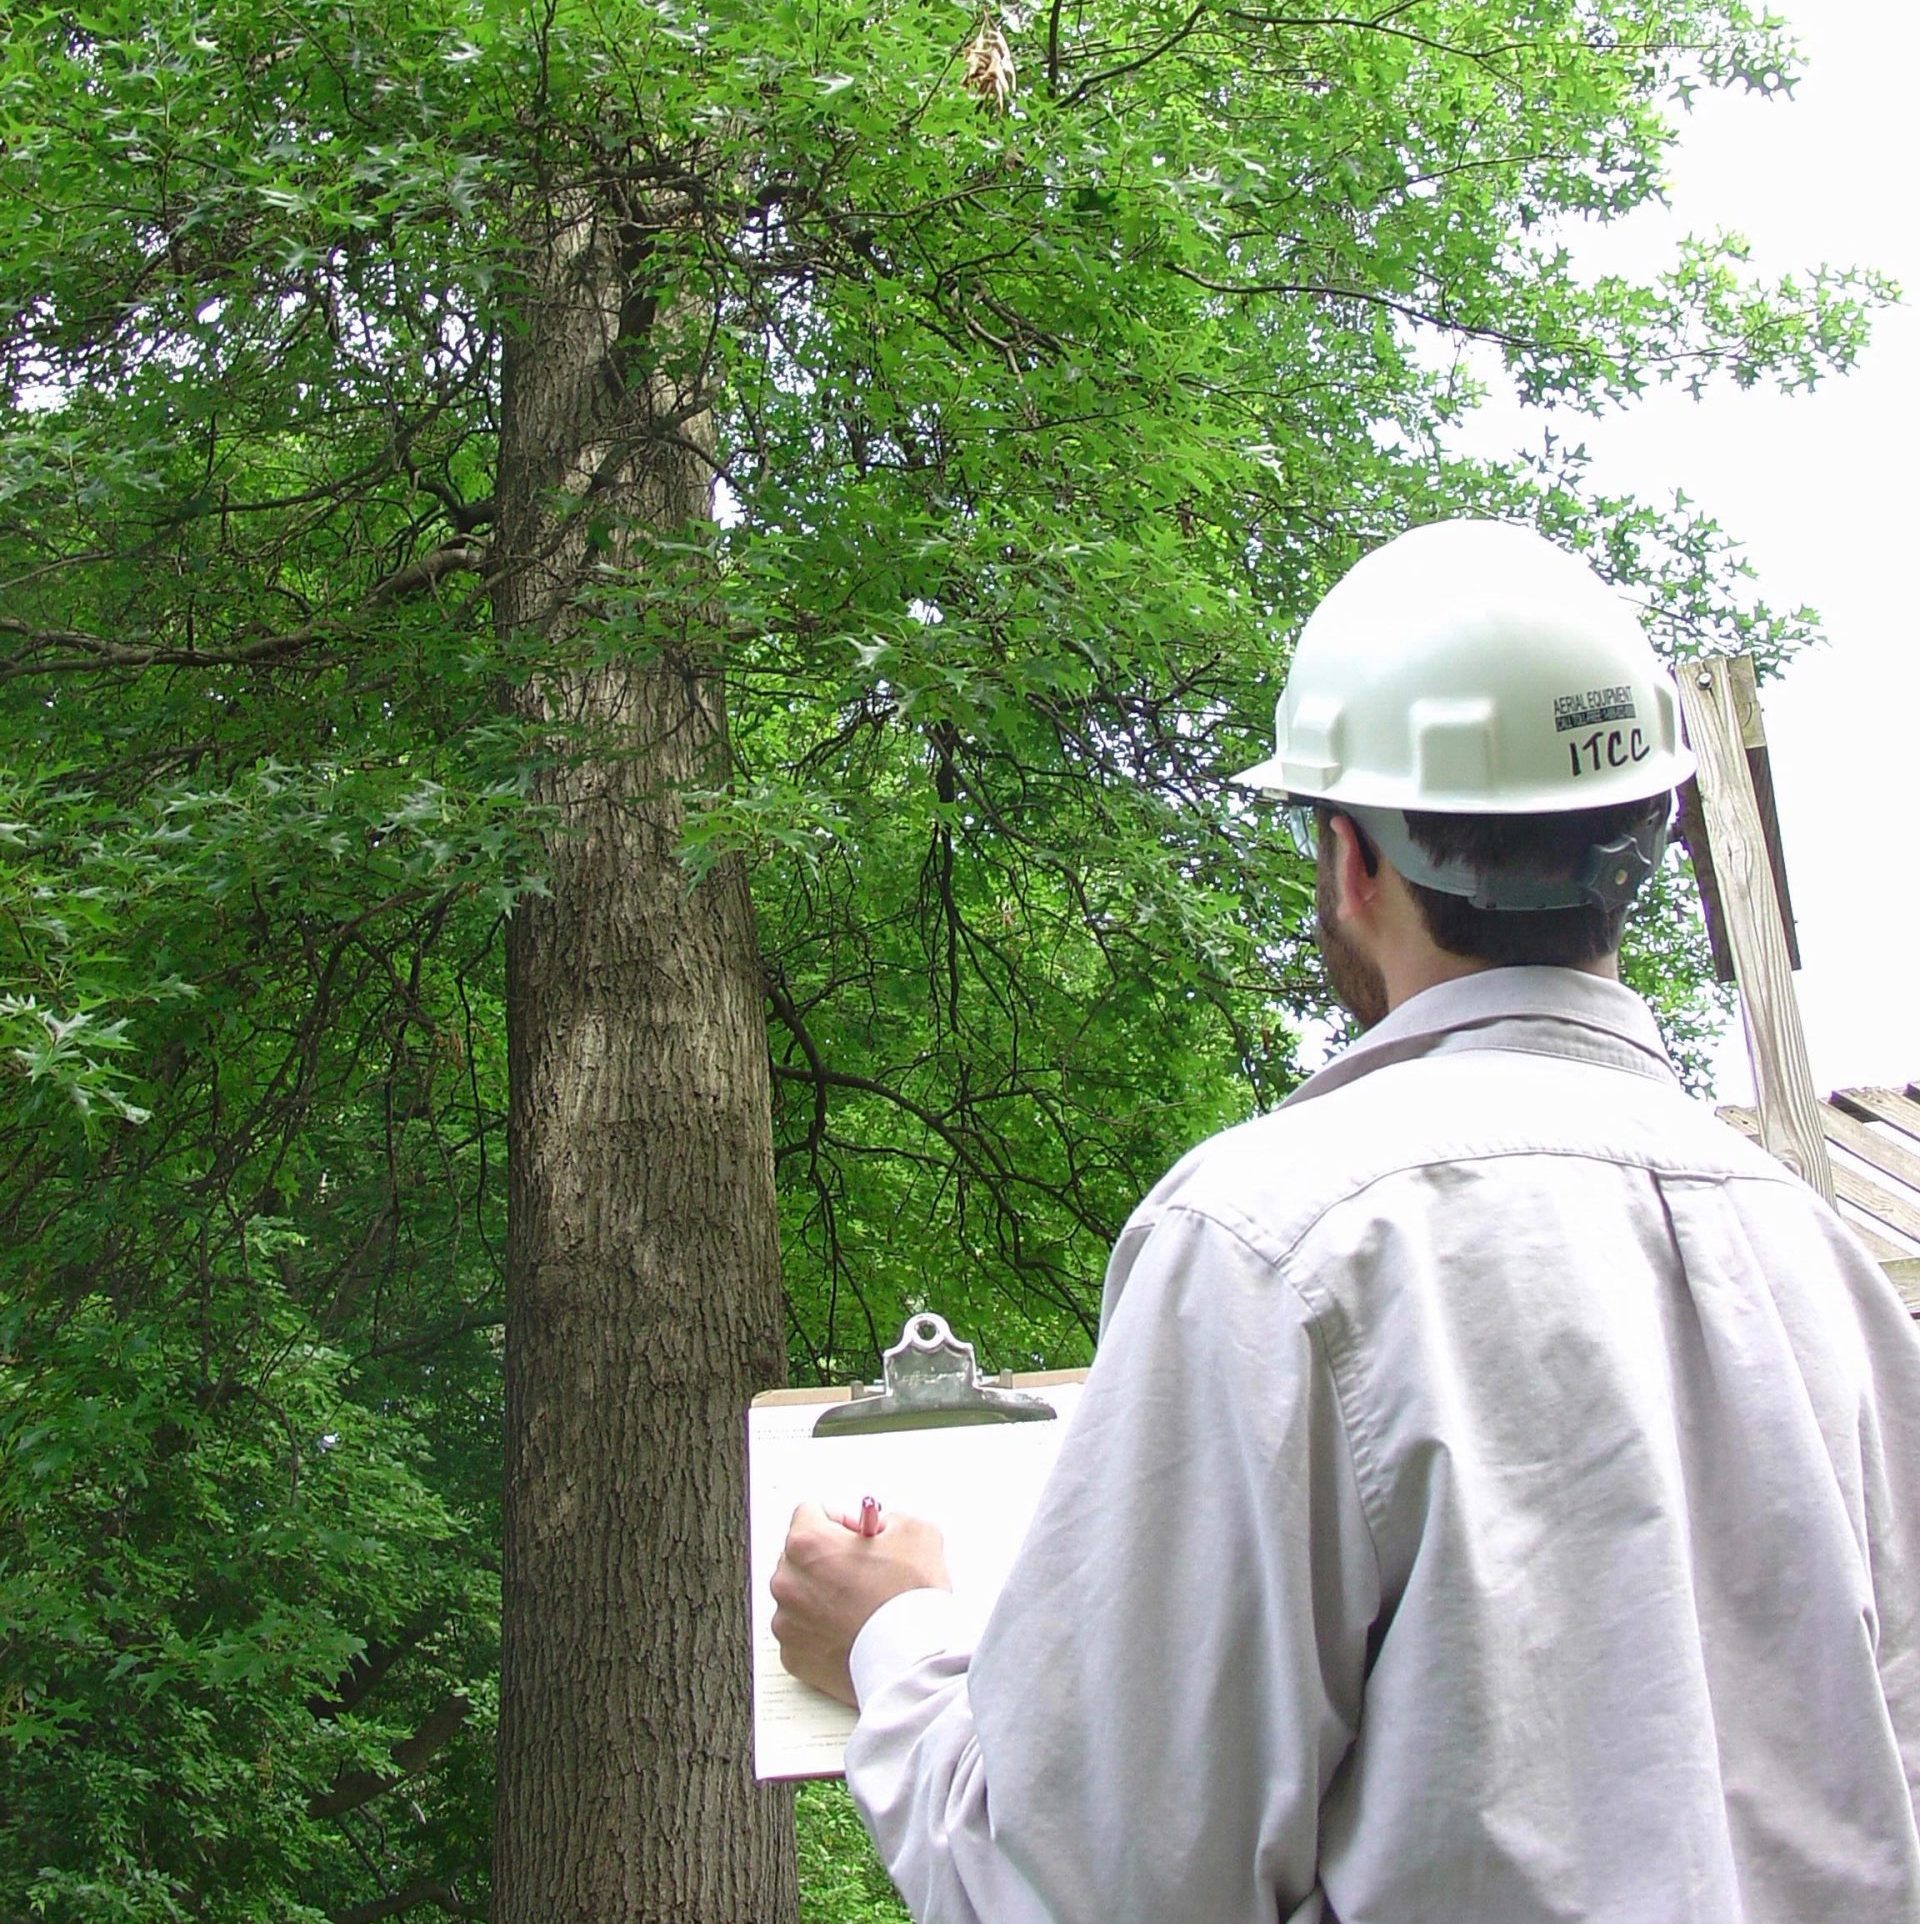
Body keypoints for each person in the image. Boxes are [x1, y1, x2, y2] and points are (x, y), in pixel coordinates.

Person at [770, 518, 1920, 1923]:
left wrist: (893, 1641)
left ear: (1352, 859)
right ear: (1644, 843)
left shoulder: (1273, 1241)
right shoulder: (1821, 1263)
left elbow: (1091, 1889)